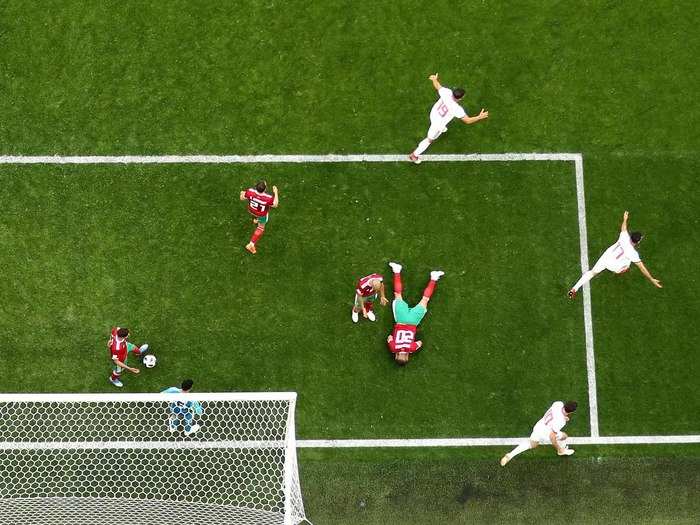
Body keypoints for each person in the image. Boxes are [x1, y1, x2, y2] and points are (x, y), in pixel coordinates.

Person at [568, 211, 662, 298]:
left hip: (606, 257)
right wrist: (651, 279)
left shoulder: (624, 236)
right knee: (626, 265)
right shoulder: (634, 254)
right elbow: (642, 268)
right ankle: (621, 270)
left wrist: (625, 219)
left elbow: (624, 227)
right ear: (637, 242)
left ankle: (574, 289)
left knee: (592, 272)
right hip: (614, 266)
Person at [409, 73, 488, 164]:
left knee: (439, 128)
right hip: (437, 125)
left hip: (434, 114)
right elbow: (467, 120)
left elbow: (437, 86)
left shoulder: (447, 92)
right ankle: (414, 155)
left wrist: (434, 79)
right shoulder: (457, 109)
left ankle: (441, 129)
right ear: (461, 98)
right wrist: (479, 117)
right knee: (429, 140)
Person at [386, 262, 444, 364]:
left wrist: (409, 348)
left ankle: (434, 277)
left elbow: (420, 343)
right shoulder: (393, 348)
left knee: (425, 299)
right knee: (398, 295)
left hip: (413, 322)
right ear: (396, 355)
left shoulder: (412, 349)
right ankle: (397, 271)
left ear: (407, 356)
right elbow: (389, 338)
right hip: (401, 320)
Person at [500, 401, 578, 466]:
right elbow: (552, 436)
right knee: (564, 436)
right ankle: (562, 450)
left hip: (539, 427)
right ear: (571, 412)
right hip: (546, 434)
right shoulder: (561, 421)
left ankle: (509, 455)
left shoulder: (558, 403)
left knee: (532, 444)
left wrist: (563, 417)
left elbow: (555, 414)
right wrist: (558, 449)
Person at [240, 180, 279, 254]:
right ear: (265, 189)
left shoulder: (250, 191)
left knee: (255, 214)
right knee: (261, 228)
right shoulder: (268, 198)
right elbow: (275, 205)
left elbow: (242, 198)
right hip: (261, 214)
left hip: (251, 210)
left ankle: (256, 220)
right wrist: (276, 192)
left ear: (255, 187)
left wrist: (242, 193)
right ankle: (251, 244)